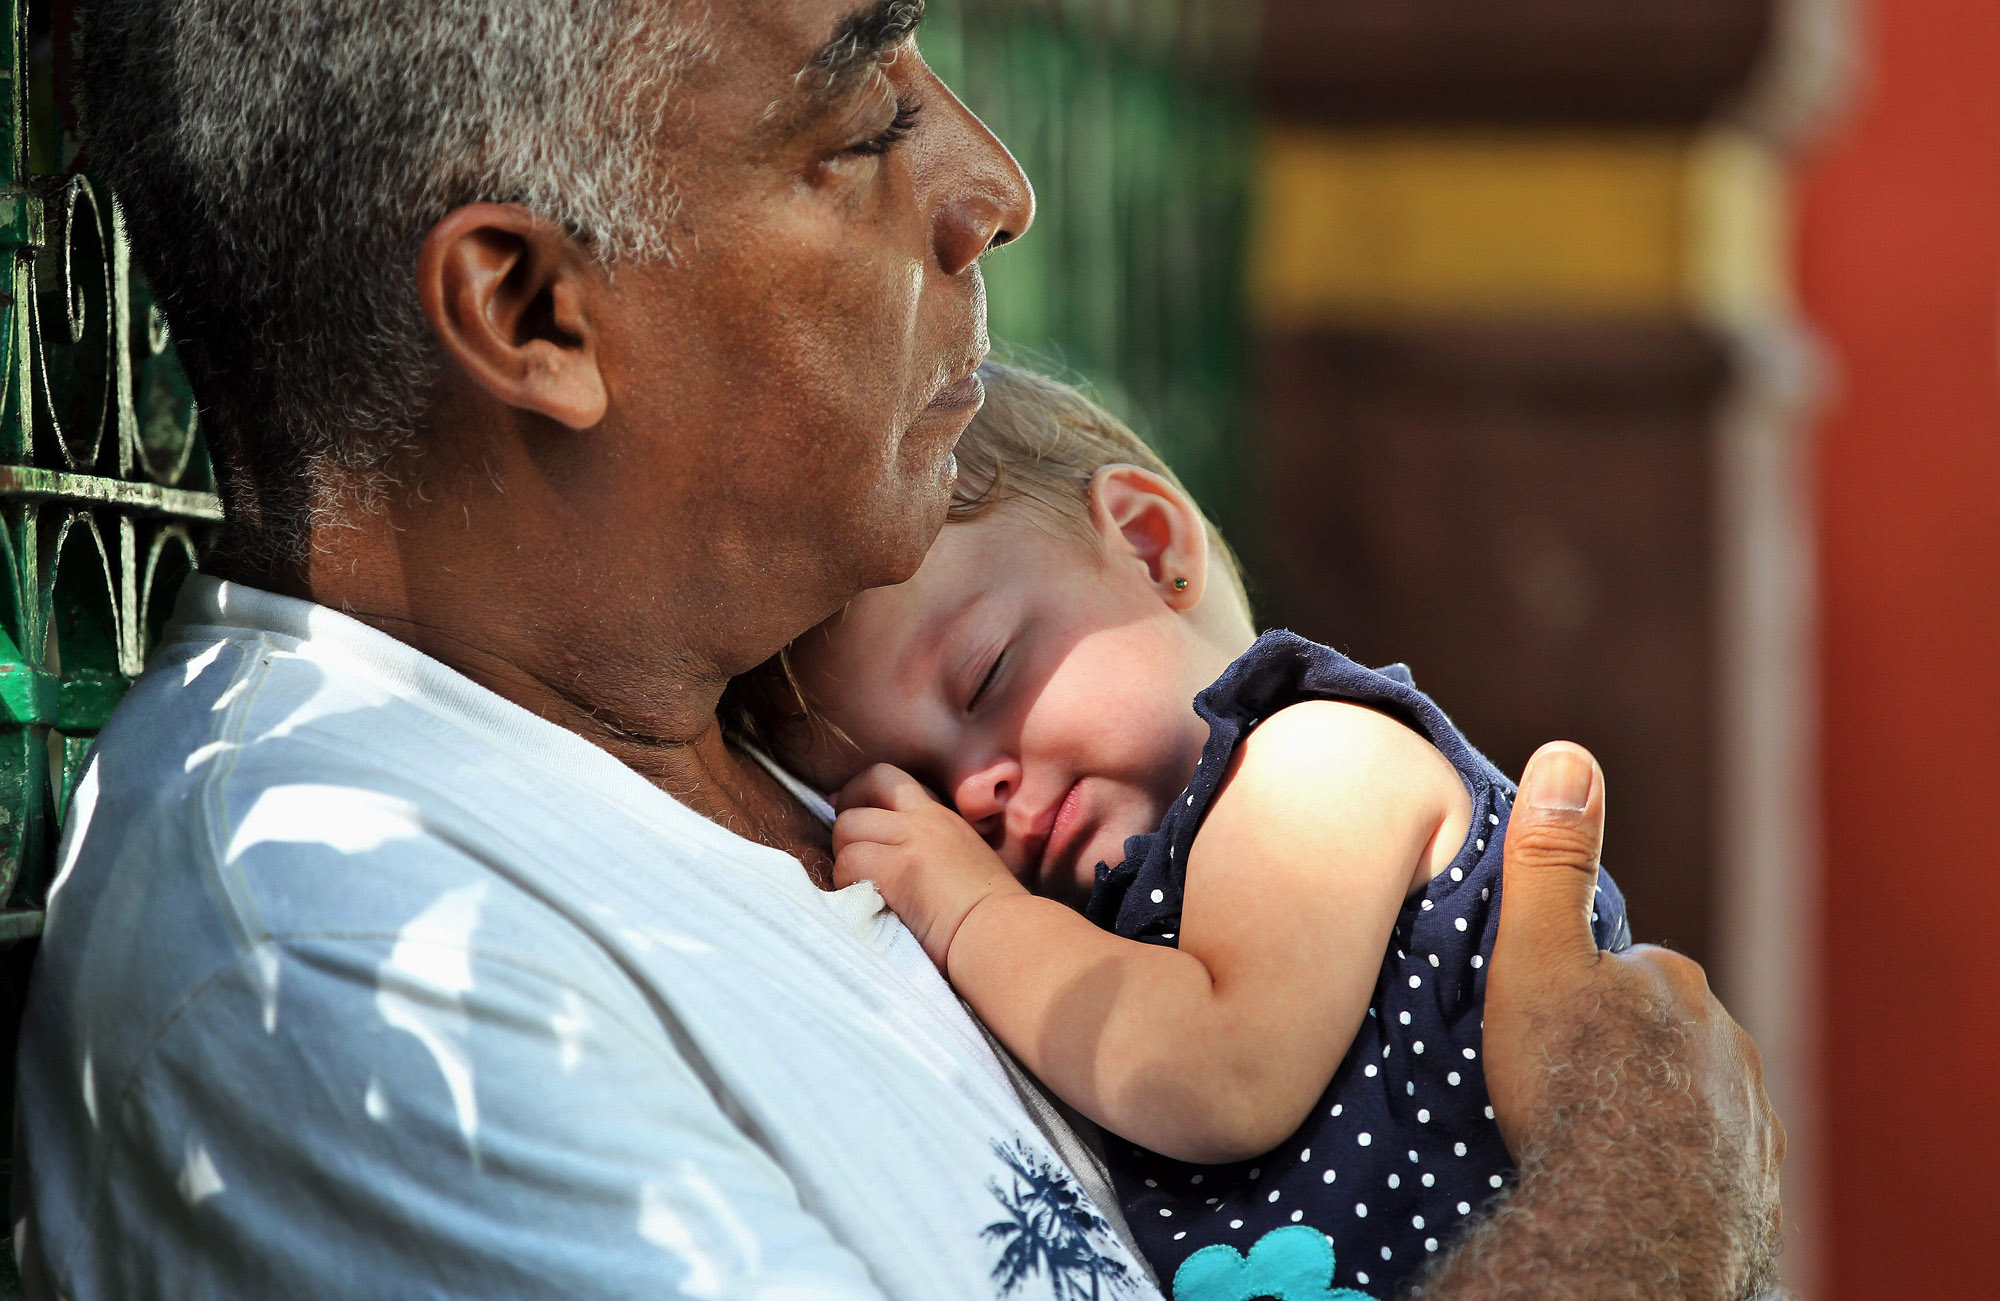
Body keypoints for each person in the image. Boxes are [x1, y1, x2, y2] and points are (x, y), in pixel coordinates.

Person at [13, 2, 1781, 1299]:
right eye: (856, 130)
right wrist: (1634, 1211)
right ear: (534, 312)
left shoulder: (784, 739)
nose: (992, 188)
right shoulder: (345, 973)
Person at [741, 364, 1637, 1297]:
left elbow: (1226, 1072)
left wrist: (969, 910)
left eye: (985, 676)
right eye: (918, 787)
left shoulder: (1317, 759)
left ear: (1147, 541)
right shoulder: (1115, 923)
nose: (970, 795)